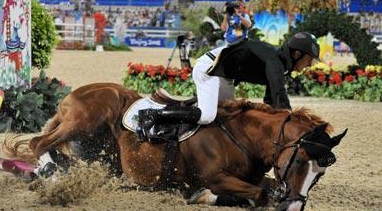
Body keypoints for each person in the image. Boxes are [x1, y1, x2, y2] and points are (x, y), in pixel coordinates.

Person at [136, 32, 320, 142]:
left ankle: (177, 112)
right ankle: (152, 115)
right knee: (208, 116)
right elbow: (280, 96)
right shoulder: (275, 63)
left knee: (228, 117)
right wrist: (292, 124)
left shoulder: (279, 64)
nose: (310, 64)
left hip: (224, 75)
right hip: (211, 69)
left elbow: (271, 100)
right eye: (309, 59)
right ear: (297, 54)